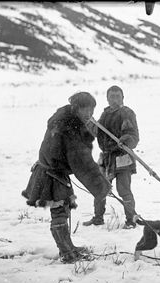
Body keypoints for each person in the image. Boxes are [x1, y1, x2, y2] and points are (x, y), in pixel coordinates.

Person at [22, 92, 111, 263]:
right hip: (52, 174)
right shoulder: (70, 129)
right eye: (87, 110)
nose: (90, 114)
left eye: (93, 110)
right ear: (77, 108)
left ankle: (69, 248)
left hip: (51, 170)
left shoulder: (63, 119)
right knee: (60, 211)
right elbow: (82, 161)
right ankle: (66, 253)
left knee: (62, 210)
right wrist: (102, 186)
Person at [83, 85, 140, 229]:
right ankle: (97, 218)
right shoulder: (105, 114)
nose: (114, 99)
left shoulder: (126, 113)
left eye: (117, 96)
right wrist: (90, 123)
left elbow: (134, 136)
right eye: (111, 96)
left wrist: (126, 139)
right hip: (106, 158)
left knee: (123, 190)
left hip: (122, 158)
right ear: (107, 98)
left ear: (123, 98)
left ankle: (131, 220)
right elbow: (99, 133)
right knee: (99, 188)